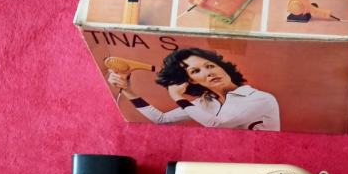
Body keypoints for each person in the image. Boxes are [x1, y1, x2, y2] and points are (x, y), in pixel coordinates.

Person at [108, 48, 280, 131]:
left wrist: (178, 98)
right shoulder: (206, 102)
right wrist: (129, 91)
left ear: (222, 67)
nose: (209, 73)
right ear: (191, 80)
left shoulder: (260, 99)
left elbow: (218, 125)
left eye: (210, 65)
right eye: (196, 71)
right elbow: (161, 120)